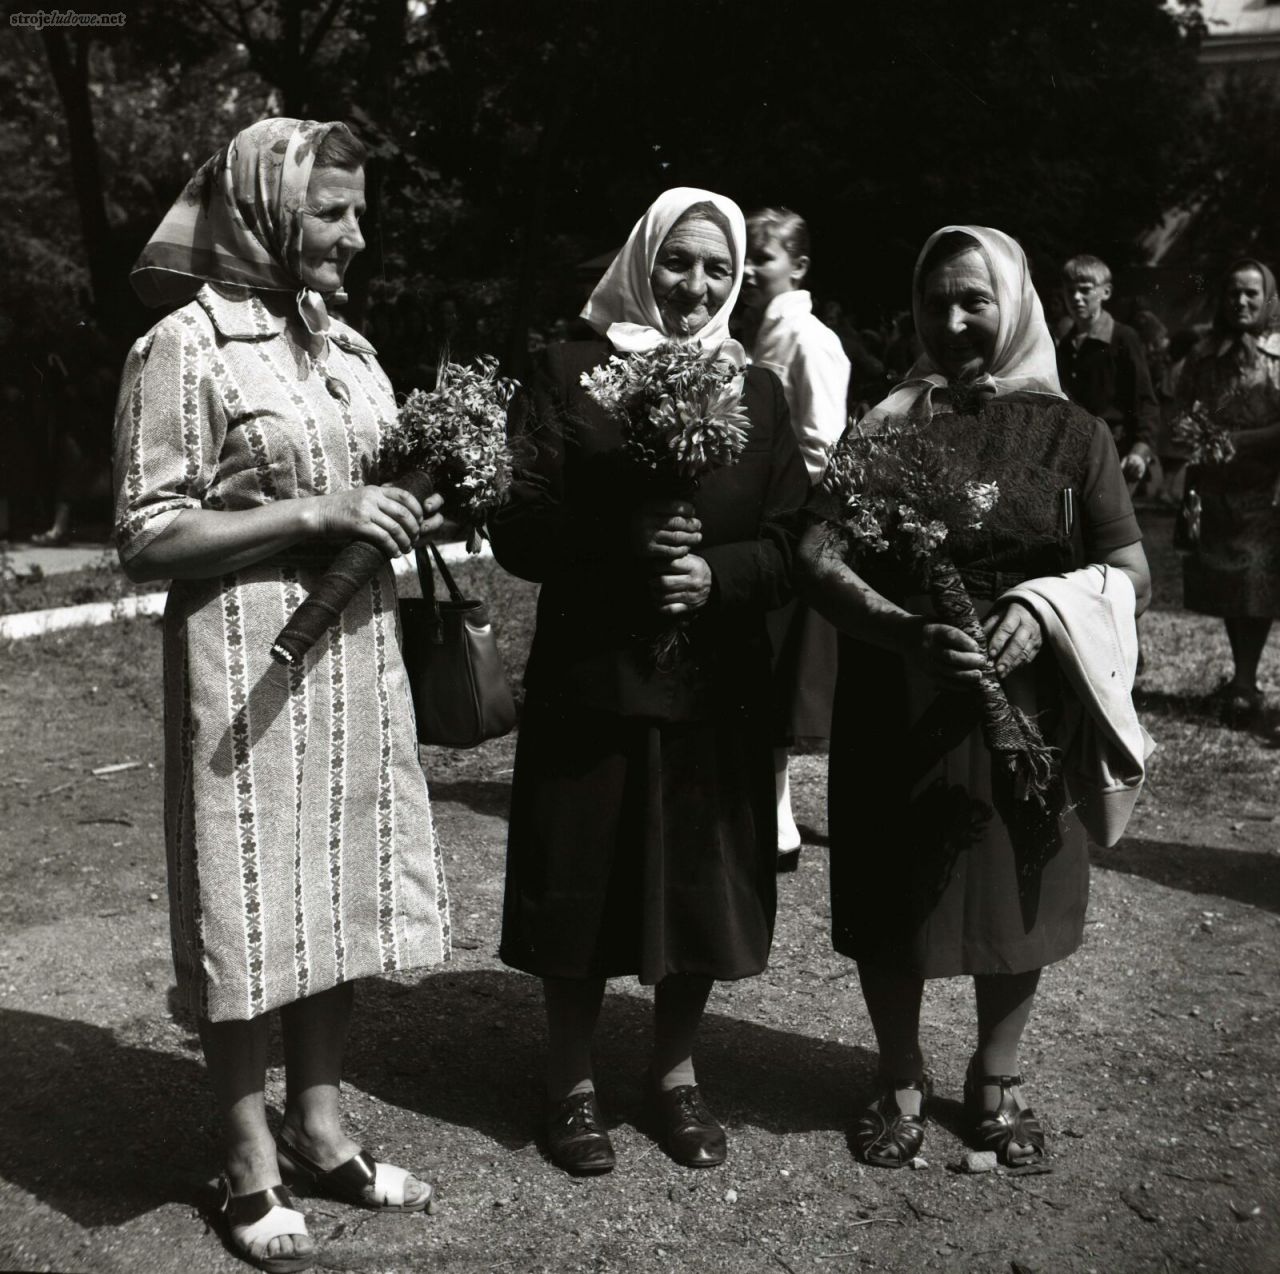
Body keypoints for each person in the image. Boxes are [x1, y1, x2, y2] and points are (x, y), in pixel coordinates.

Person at [114, 119, 449, 1273]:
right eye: (332, 212)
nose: (356, 236)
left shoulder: (346, 347)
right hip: (246, 658)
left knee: (338, 894)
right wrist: (315, 514)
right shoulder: (184, 346)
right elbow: (148, 534)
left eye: (358, 212)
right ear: (263, 205)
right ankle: (246, 1153)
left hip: (356, 654)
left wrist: (411, 502)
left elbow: (379, 485)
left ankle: (319, 1124)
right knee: (248, 907)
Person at [798, 226, 1151, 1170]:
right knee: (891, 885)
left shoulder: (1076, 434)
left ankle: (995, 1077)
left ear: (1015, 304)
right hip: (900, 693)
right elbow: (815, 555)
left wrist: (1046, 606)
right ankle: (900, 1072)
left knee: (1019, 884)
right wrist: (900, 628)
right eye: (934, 302)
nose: (952, 321)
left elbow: (1131, 569)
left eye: (974, 300)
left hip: (1027, 705)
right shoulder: (885, 427)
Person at [489, 187, 808, 1176]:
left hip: (715, 679)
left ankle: (673, 1074)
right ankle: (570, 1081)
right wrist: (617, 539)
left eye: (717, 267)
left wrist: (722, 573)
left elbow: (795, 538)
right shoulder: (567, 371)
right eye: (678, 261)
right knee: (583, 875)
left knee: (697, 885)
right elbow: (516, 522)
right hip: (595, 672)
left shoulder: (756, 390)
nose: (696, 284)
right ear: (640, 260)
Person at [740, 207, 850, 868]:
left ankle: (779, 820)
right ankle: (772, 816)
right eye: (747, 255)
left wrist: (786, 510)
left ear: (799, 266)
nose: (752, 269)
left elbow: (823, 443)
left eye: (766, 256)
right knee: (763, 667)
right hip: (761, 518)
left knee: (782, 670)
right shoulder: (762, 336)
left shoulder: (810, 339)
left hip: (790, 520)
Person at [1177, 258, 1280, 729]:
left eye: (1251, 295)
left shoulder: (1279, 355)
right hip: (1216, 487)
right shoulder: (1203, 354)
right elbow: (1185, 408)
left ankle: (1245, 679)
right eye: (1233, 293)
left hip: (1266, 488)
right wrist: (1193, 435)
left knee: (1255, 581)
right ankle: (1242, 679)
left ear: (1267, 299)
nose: (1241, 302)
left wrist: (1241, 441)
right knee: (1230, 582)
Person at [1055, 254, 1161, 492]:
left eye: (1085, 290)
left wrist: (1141, 449)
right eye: (1069, 290)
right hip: (1075, 452)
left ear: (1106, 292)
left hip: (1116, 450)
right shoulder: (1066, 343)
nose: (1076, 298)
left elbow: (1144, 400)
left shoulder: (1123, 337)